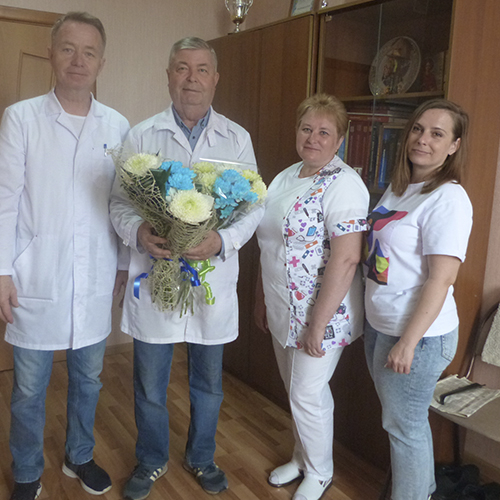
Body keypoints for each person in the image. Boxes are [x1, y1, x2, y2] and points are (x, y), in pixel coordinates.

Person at [109, 37, 263, 500]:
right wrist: (139, 232)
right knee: (149, 382)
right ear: (168, 76)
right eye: (181, 68)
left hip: (210, 279)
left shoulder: (237, 138)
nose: (191, 79)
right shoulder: (142, 135)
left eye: (201, 70)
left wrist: (222, 240)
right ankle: (151, 459)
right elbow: (119, 202)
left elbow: (254, 205)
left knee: (208, 384)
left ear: (215, 79)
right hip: (156, 275)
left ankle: (201, 456)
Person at [0, 12, 130, 500]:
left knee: (89, 379)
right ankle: (27, 470)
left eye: (89, 52)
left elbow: (122, 202)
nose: (79, 60)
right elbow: (5, 199)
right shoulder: (22, 118)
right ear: (51, 54)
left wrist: (123, 263)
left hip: (95, 274)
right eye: (69, 49)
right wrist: (2, 270)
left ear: (102, 62)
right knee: (29, 388)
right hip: (36, 273)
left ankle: (79, 455)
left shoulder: (117, 125)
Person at [254, 93, 369, 500]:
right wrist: (261, 297)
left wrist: (317, 325)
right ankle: (301, 459)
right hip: (282, 305)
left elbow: (347, 258)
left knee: (307, 393)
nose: (313, 138)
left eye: (324, 132)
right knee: (295, 391)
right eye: (307, 129)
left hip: (323, 314)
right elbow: (269, 243)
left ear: (339, 140)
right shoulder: (286, 177)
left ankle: (320, 472)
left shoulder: (344, 184)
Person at [363, 99, 473, 500]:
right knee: (406, 424)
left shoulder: (449, 198)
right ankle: (422, 491)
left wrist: (408, 342)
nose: (423, 139)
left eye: (437, 134)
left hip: (418, 336)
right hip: (381, 325)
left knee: (403, 428)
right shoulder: (400, 188)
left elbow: (441, 279)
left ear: (454, 146)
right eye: (418, 129)